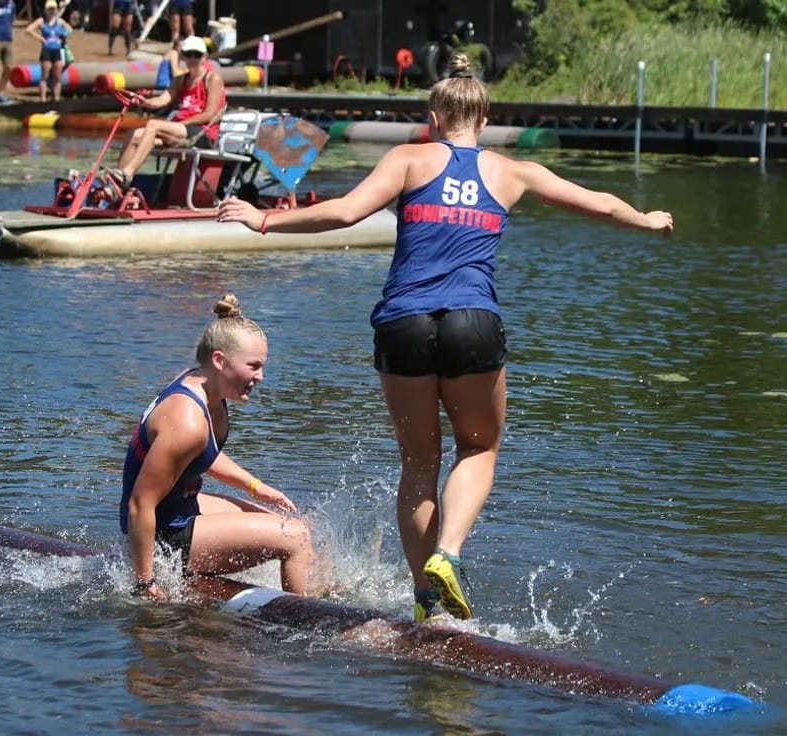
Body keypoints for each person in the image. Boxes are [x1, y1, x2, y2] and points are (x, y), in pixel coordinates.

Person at [218, 52, 674, 623]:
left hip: (403, 323)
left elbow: (345, 212)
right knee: (478, 448)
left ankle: (425, 599)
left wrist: (263, 220)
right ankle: (448, 555)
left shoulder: (408, 159)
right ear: (484, 121)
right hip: (471, 322)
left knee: (418, 461)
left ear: (433, 117)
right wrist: (645, 218)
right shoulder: (512, 172)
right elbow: (600, 204)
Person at [120, 293, 316, 601]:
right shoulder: (187, 422)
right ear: (220, 361)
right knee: (296, 538)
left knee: (296, 524)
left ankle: (317, 594)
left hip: (180, 510)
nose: (260, 377)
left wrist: (256, 487)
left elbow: (200, 453)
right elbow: (139, 504)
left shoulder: (202, 382)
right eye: (253, 366)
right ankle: (307, 618)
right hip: (162, 537)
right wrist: (145, 583)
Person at [105, 35, 225, 194]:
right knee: (133, 135)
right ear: (183, 56)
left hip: (202, 133)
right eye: (188, 54)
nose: (192, 59)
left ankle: (127, 173)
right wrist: (144, 102)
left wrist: (182, 124)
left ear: (205, 57)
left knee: (153, 125)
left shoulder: (212, 78)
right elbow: (162, 100)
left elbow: (209, 114)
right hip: (180, 131)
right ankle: (117, 188)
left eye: (197, 55)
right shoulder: (180, 80)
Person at [26, 0, 72, 103]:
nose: (51, 11)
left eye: (53, 9)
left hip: (57, 51)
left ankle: (56, 99)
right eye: (49, 9)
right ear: (45, 10)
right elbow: (28, 29)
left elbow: (69, 29)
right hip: (46, 51)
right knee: (44, 76)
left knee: (57, 77)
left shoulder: (59, 21)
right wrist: (40, 38)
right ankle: (43, 99)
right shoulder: (41, 21)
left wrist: (63, 36)